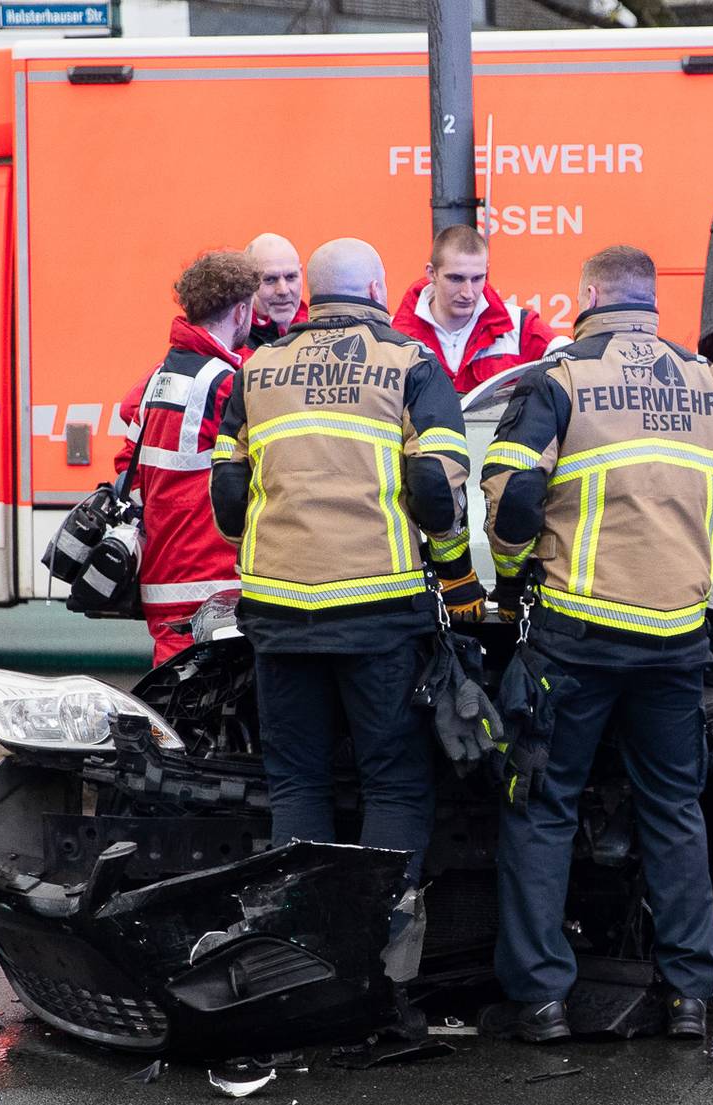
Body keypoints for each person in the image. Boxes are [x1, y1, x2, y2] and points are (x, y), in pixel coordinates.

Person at [480, 245, 713, 1043]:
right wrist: (686, 546)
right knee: (674, 809)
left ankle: (541, 1002)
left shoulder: (560, 378)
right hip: (676, 637)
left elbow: (512, 499)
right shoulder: (707, 381)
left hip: (574, 636)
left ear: (590, 297)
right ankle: (685, 998)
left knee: (541, 808)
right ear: (649, 303)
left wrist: (511, 576)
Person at [209, 237, 479, 857]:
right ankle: (386, 935)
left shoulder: (257, 369)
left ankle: (305, 935)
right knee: (394, 787)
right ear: (379, 293)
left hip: (278, 616)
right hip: (378, 615)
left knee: (297, 784)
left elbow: (227, 497)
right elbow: (436, 487)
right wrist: (458, 574)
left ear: (312, 291)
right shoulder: (411, 362)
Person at [110, 250, 255, 663]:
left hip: (164, 571)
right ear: (242, 311)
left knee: (178, 691)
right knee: (200, 704)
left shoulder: (160, 377)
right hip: (209, 574)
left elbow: (128, 468)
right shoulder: (226, 383)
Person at [395, 224, 556, 393]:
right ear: (432, 273)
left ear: (486, 271)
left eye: (478, 278)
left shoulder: (522, 328)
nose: (468, 292)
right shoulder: (394, 337)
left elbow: (575, 367)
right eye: (456, 278)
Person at [244, 233, 307, 350]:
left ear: (301, 274)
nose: (283, 290)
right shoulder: (233, 343)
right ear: (247, 282)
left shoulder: (319, 331)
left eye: (291, 277)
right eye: (270, 279)